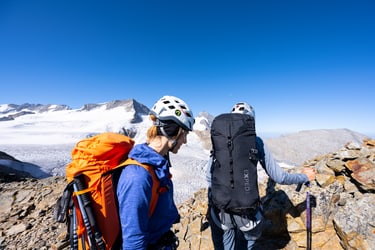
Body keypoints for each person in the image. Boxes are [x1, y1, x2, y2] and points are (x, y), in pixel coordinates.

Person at [206, 102, 316, 250]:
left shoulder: (221, 142)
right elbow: (279, 177)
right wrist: (304, 177)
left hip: (221, 213)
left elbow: (209, 176)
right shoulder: (256, 142)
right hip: (248, 216)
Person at [116, 95, 195, 249]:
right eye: (184, 134)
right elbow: (133, 241)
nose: (185, 141)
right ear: (172, 131)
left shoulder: (157, 164)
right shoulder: (137, 176)